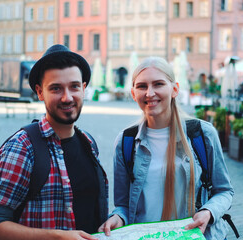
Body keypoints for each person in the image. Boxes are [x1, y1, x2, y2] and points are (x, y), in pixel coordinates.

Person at [0, 44, 108, 240]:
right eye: (56, 88)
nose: (67, 97)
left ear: (83, 89)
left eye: (74, 86)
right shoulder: (22, 147)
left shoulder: (88, 142)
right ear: (40, 92)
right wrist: (57, 237)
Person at [98, 57, 234, 239]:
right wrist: (117, 218)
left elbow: (224, 191)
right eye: (142, 86)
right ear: (133, 93)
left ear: (175, 89)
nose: (149, 93)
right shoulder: (126, 142)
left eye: (158, 84)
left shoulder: (202, 134)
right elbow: (122, 205)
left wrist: (208, 212)